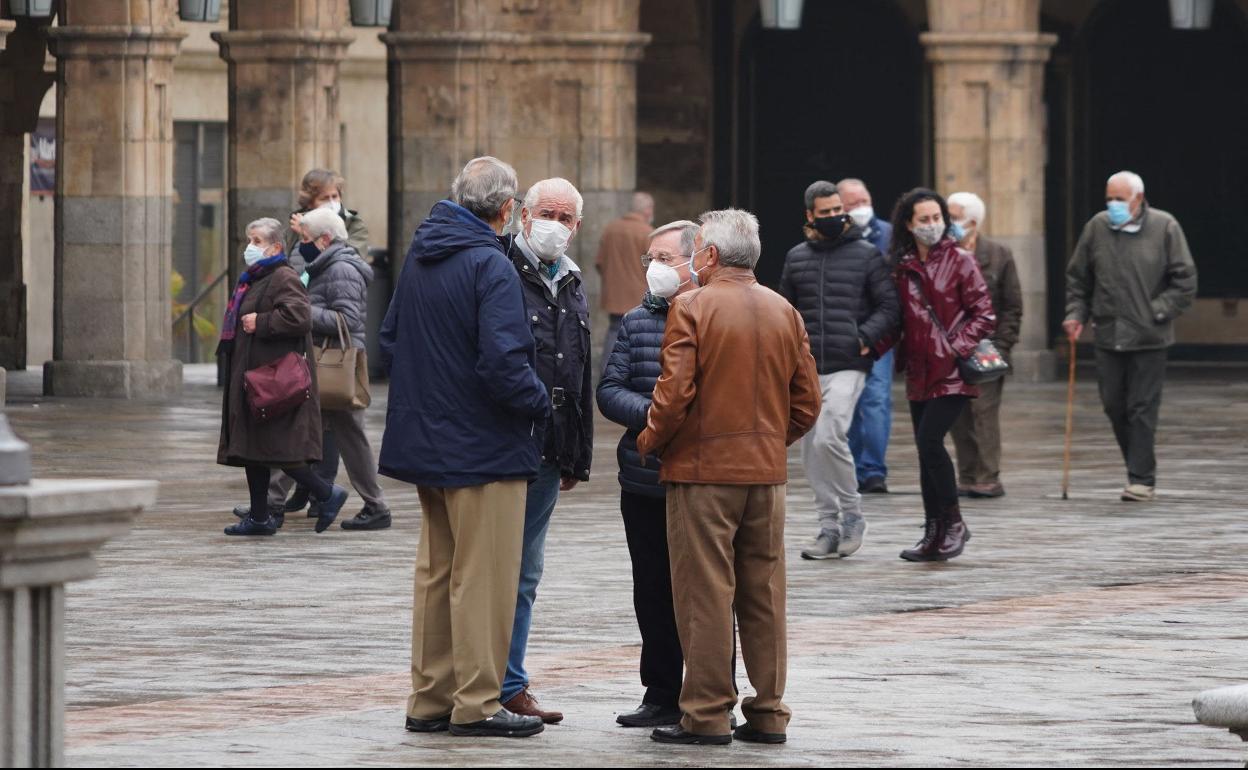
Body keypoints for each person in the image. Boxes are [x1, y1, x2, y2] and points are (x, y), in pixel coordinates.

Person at [378, 157, 549, 738]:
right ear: (506, 210)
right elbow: (504, 364)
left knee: (437, 572)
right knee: (485, 576)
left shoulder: (423, 256)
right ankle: (476, 702)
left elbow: (391, 336)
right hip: (484, 444)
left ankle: (429, 699)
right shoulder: (490, 265)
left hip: (429, 439)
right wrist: (541, 402)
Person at [637, 209, 821, 747]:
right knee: (763, 594)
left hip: (702, 475)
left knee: (705, 594)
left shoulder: (692, 306)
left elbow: (672, 397)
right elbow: (807, 403)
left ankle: (706, 714)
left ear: (710, 255)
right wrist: (766, 442)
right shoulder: (784, 310)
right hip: (766, 477)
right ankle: (767, 712)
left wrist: (650, 442)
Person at [497, 177, 594, 724]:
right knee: (495, 567)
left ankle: (511, 683)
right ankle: (488, 680)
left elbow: (579, 372)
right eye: (546, 212)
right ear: (524, 215)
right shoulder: (501, 267)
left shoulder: (573, 282)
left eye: (565, 216)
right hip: (508, 441)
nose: (555, 223)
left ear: (577, 226)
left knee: (527, 572)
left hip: (551, 449)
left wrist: (577, 454)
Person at [596, 219, 699, 729]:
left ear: (697, 261)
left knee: (701, 592)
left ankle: (706, 694)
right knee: (651, 588)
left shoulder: (714, 315)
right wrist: (657, 415)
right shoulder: (636, 320)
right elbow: (609, 389)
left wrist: (676, 417)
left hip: (698, 478)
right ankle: (660, 691)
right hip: (641, 475)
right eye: (649, 260)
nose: (654, 268)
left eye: (664, 258)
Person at [232, 208, 391, 530]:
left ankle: (375, 506)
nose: (300, 245)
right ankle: (271, 505)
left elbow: (346, 320)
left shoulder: (342, 268)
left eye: (305, 239)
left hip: (334, 364)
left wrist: (303, 311)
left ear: (325, 239)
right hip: (320, 362)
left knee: (347, 437)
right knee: (292, 432)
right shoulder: (324, 265)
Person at [779, 181, 898, 560]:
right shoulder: (797, 257)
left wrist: (864, 337)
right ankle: (827, 525)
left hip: (849, 362)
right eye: (824, 212)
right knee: (810, 447)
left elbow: (889, 306)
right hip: (808, 366)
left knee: (830, 434)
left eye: (837, 210)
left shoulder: (866, 255)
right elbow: (785, 310)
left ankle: (852, 514)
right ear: (810, 215)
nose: (833, 217)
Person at [1063, 171, 1197, 502]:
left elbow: (1185, 281)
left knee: (1141, 407)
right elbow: (1078, 278)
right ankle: (1136, 467)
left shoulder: (1165, 226)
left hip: (1150, 337)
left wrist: (1157, 311)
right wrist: (1075, 314)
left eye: (1120, 199)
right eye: (1109, 198)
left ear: (1138, 199)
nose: (1113, 205)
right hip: (1108, 334)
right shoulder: (1096, 227)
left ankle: (1141, 478)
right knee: (1113, 405)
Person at [878, 189, 995, 562]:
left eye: (936, 218)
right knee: (924, 452)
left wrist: (956, 346)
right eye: (923, 220)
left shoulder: (961, 260)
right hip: (919, 371)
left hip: (953, 371)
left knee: (931, 442)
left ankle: (955, 523)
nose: (932, 225)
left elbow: (984, 314)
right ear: (908, 225)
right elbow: (898, 319)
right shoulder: (903, 267)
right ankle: (933, 530)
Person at [215, 217, 348, 536]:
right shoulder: (255, 277)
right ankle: (260, 517)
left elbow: (299, 317)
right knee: (254, 449)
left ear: (275, 247)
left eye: (257, 241)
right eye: (249, 240)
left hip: (273, 379)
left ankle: (327, 493)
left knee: (279, 450)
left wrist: (260, 322)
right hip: (254, 375)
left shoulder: (283, 277)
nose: (250, 247)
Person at [280, 168, 371, 517]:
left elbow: (342, 282)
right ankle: (298, 494)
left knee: (342, 425)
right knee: (309, 420)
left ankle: (327, 493)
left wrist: (302, 310)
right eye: (325, 198)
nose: (334, 203)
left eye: (337, 197)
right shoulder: (303, 237)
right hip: (309, 343)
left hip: (334, 349)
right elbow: (294, 272)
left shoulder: (343, 235)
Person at [946, 192, 1023, 499]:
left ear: (972, 222)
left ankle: (988, 476)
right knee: (957, 415)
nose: (947, 222)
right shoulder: (942, 255)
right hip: (951, 348)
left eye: (952, 216)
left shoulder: (999, 254)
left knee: (984, 412)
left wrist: (1002, 346)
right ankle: (966, 475)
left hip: (987, 349)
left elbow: (1012, 306)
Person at [839, 178, 896, 495]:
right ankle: (853, 466)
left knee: (875, 399)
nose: (861, 208)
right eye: (852, 204)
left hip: (880, 333)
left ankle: (873, 469)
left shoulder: (888, 235)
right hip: (845, 331)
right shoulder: (838, 238)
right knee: (848, 400)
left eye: (864, 200)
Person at [595, 192, 655, 376]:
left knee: (614, 333)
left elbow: (599, 262)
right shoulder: (648, 232)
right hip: (639, 297)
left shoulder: (611, 229)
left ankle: (607, 374)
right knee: (640, 339)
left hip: (614, 295)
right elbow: (653, 266)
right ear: (647, 210)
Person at [286, 168, 370, 267]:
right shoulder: (295, 224)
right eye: (324, 198)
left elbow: (350, 259)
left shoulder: (353, 224)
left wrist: (306, 235)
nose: (332, 203)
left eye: (335, 196)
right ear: (310, 203)